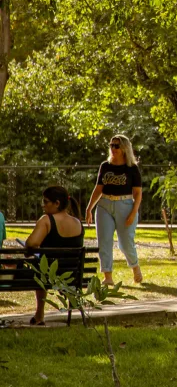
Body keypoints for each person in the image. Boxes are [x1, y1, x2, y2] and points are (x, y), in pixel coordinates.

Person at [84, 135, 143, 285]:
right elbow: (98, 189)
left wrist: (133, 212)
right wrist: (89, 208)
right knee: (104, 241)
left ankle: (135, 266)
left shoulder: (132, 168)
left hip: (125, 205)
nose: (113, 148)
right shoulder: (105, 166)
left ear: (124, 148)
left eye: (117, 146)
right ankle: (107, 276)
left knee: (125, 243)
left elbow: (137, 193)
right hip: (104, 205)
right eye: (111, 145)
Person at [24, 185, 84, 325]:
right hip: (72, 274)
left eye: (45, 202)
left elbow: (31, 243)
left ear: (57, 203)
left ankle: (39, 314)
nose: (42, 205)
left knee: (39, 268)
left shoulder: (47, 220)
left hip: (49, 274)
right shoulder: (77, 222)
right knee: (42, 267)